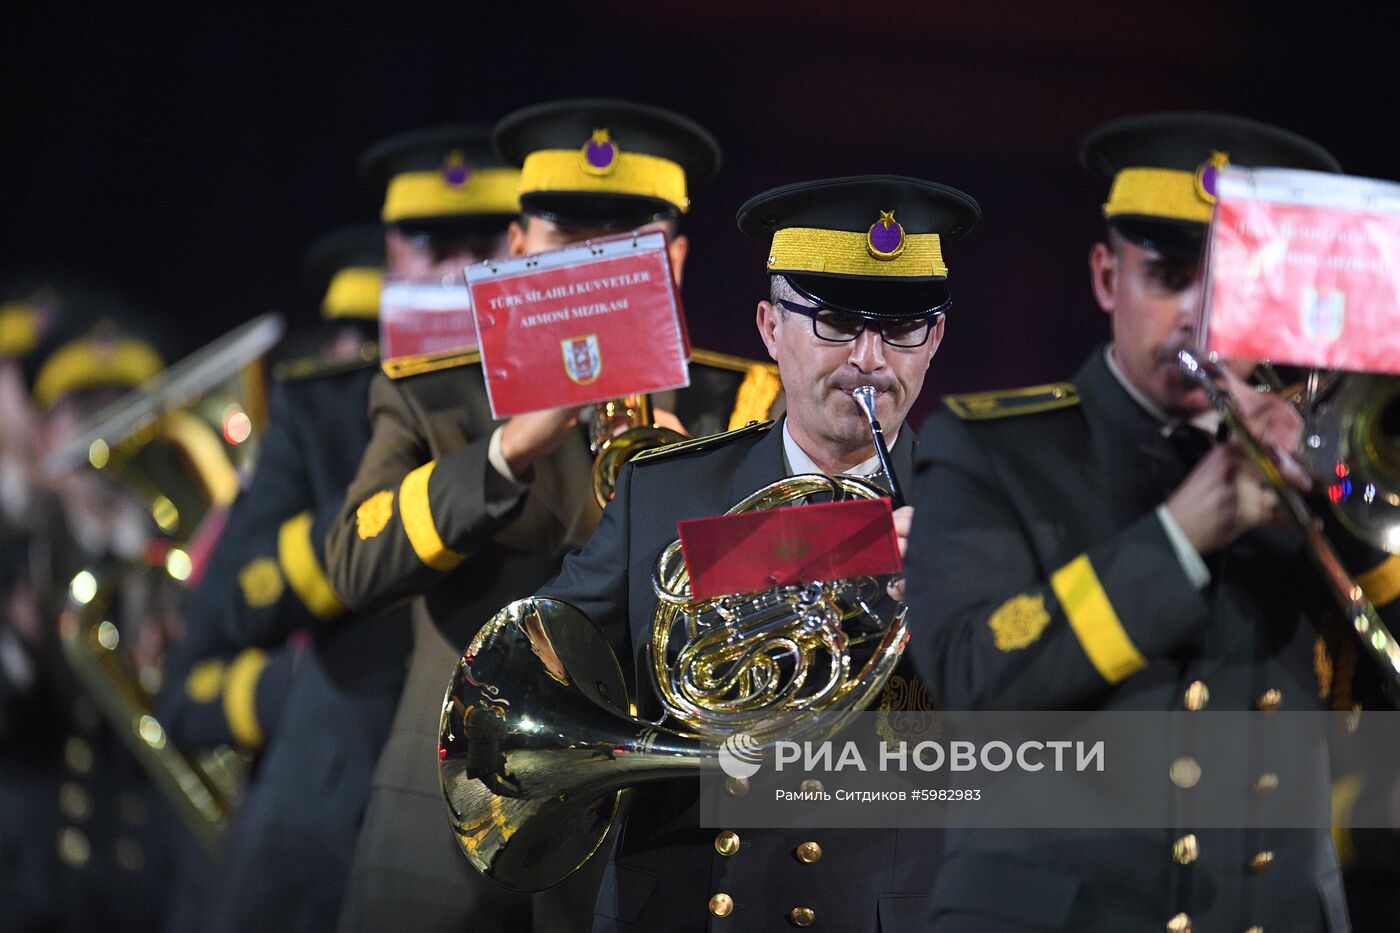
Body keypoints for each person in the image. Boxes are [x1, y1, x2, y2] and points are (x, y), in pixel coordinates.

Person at [903, 112, 1400, 932]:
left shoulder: (1317, 463)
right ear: (1108, 278)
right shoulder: (990, 447)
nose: (1200, 317)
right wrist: (1178, 534)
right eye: (1168, 278)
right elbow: (969, 684)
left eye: (1235, 288)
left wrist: (1346, 505)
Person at [326, 100, 781, 933]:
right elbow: (356, 565)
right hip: (437, 835)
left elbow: (776, 623)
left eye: (626, 242)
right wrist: (505, 452)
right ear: (518, 245)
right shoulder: (436, 392)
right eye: (568, 237)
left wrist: (688, 488)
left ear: (675, 259)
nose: (593, 267)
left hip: (634, 838)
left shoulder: (742, 405)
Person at [528, 174, 978, 931]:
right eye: (835, 321)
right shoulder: (665, 493)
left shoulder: (980, 519)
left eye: (902, 328)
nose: (869, 358)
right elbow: (542, 672)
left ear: (934, 340)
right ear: (771, 328)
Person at [155, 221, 426, 932]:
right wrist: (290, 690)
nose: (353, 353)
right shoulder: (308, 442)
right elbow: (187, 688)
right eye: (346, 334)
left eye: (373, 334)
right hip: (312, 812)